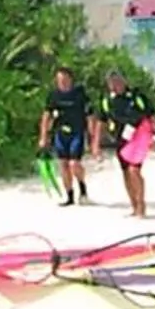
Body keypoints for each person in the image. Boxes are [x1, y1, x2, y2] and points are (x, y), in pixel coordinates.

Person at [93, 70, 154, 222]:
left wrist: (153, 136)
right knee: (126, 172)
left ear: (125, 81)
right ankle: (134, 205)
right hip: (120, 139)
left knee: (134, 170)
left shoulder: (136, 96)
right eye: (112, 82)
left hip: (139, 137)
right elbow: (100, 122)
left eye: (118, 81)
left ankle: (141, 205)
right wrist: (95, 144)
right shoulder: (107, 101)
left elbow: (151, 116)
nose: (116, 85)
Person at [40, 67, 92, 207]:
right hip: (60, 133)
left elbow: (90, 115)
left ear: (70, 79)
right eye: (59, 80)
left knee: (74, 163)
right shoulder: (53, 96)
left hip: (77, 132)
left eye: (64, 79)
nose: (62, 82)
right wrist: (43, 136)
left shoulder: (80, 94)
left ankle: (82, 189)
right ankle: (69, 196)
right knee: (63, 164)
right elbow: (46, 116)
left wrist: (92, 137)